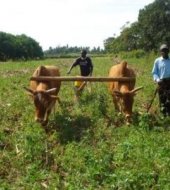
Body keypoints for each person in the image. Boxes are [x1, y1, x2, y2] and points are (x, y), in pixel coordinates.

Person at [152, 44, 170, 116]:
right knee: (162, 98)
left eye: (166, 50)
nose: (164, 52)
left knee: (169, 98)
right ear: (160, 52)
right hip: (161, 82)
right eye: (162, 50)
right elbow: (154, 72)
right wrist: (157, 79)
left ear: (168, 51)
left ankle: (169, 113)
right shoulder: (157, 61)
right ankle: (163, 114)